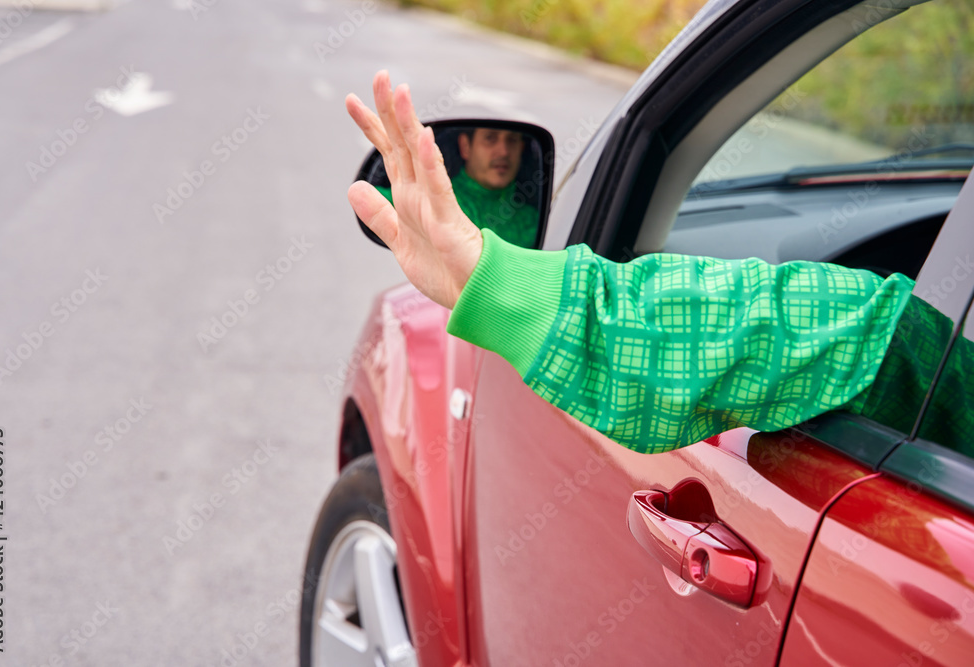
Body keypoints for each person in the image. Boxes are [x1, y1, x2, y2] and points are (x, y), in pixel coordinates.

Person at [344, 71, 971, 456]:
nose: (506, 153)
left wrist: (504, 287)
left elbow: (862, 337)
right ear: (465, 151)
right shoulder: (468, 203)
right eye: (492, 141)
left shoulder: (926, 360)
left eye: (512, 141)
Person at [372, 126, 539, 248]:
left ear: (521, 149)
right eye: (490, 138)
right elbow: (375, 200)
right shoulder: (435, 198)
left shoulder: (532, 219)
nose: (503, 151)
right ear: (465, 146)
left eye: (512, 140)